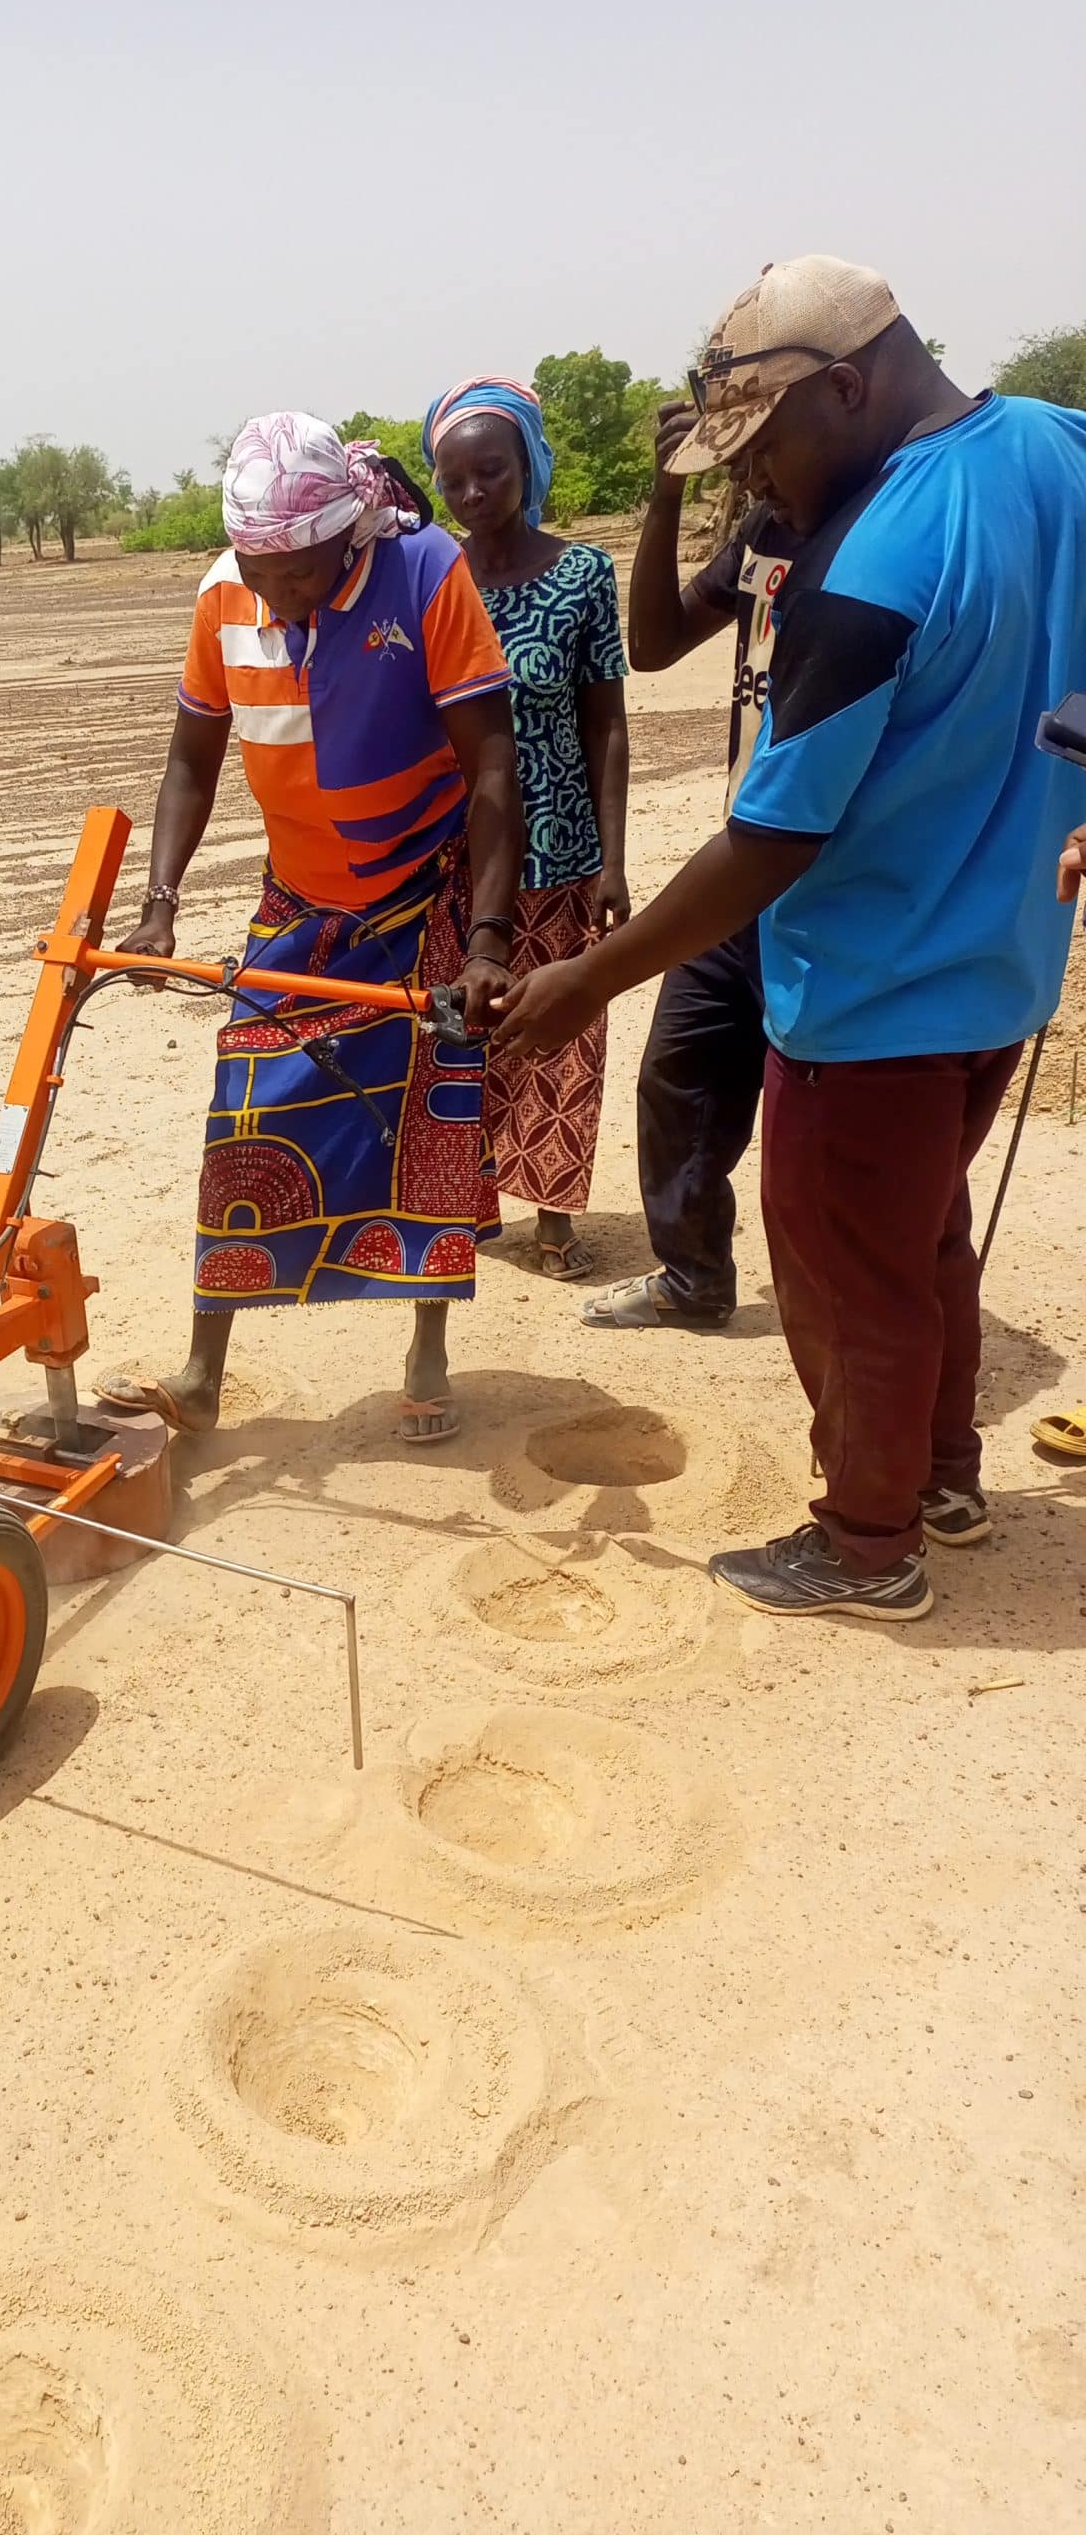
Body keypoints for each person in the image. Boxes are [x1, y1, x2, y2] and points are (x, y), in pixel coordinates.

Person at [492, 255, 1086, 1620]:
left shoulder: (868, 564)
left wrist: (585, 978)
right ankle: (941, 1474)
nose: (758, 482)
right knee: (923, 1245)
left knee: (840, 1275)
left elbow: (777, 837)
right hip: (1001, 965)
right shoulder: (1057, 443)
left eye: (769, 443)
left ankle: (866, 1547)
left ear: (852, 384)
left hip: (868, 987)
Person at [97, 411, 526, 1444]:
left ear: (348, 533)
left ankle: (426, 1345)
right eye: (257, 566)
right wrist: (158, 907)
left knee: (432, 1123)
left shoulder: (425, 573)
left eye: (296, 569)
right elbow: (191, 760)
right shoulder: (222, 596)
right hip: (299, 901)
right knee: (243, 1111)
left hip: (423, 893)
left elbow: (494, 769)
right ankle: (202, 1374)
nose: (275, 590)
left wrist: (486, 943)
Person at [582, 406, 802, 1331]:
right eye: (734, 456)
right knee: (679, 1075)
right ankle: (694, 1277)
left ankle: (839, 1307)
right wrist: (667, 492)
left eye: (756, 449)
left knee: (822, 1118)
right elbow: (655, 643)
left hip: (827, 877)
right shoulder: (768, 530)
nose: (747, 473)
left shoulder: (878, 527)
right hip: (742, 861)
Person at [426, 379, 629, 1278]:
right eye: (454, 478)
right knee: (461, 1028)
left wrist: (615, 860)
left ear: (528, 465)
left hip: (562, 847)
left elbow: (607, 725)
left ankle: (552, 1210)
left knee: (560, 1030)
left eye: (491, 471)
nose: (473, 494)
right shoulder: (432, 577)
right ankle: (470, 1197)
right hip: (455, 854)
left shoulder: (582, 575)